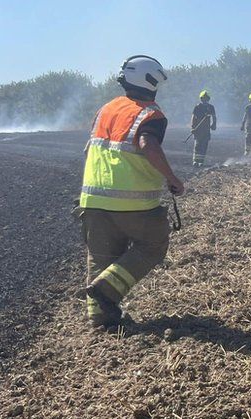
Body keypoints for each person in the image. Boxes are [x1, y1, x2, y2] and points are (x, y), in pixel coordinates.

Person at [79, 55, 185, 328]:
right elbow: (147, 143)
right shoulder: (151, 114)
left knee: (101, 256)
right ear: (152, 82)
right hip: (133, 203)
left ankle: (101, 318)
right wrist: (171, 177)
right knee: (153, 244)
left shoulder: (106, 109)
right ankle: (106, 291)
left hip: (93, 199)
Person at [190, 90, 217, 167]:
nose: (205, 100)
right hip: (198, 130)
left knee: (204, 145)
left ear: (208, 99)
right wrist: (192, 127)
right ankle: (195, 161)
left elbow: (214, 117)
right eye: (203, 98)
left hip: (206, 130)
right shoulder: (197, 107)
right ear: (201, 98)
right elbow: (193, 117)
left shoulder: (211, 107)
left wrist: (214, 124)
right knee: (197, 145)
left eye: (206, 98)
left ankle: (201, 161)